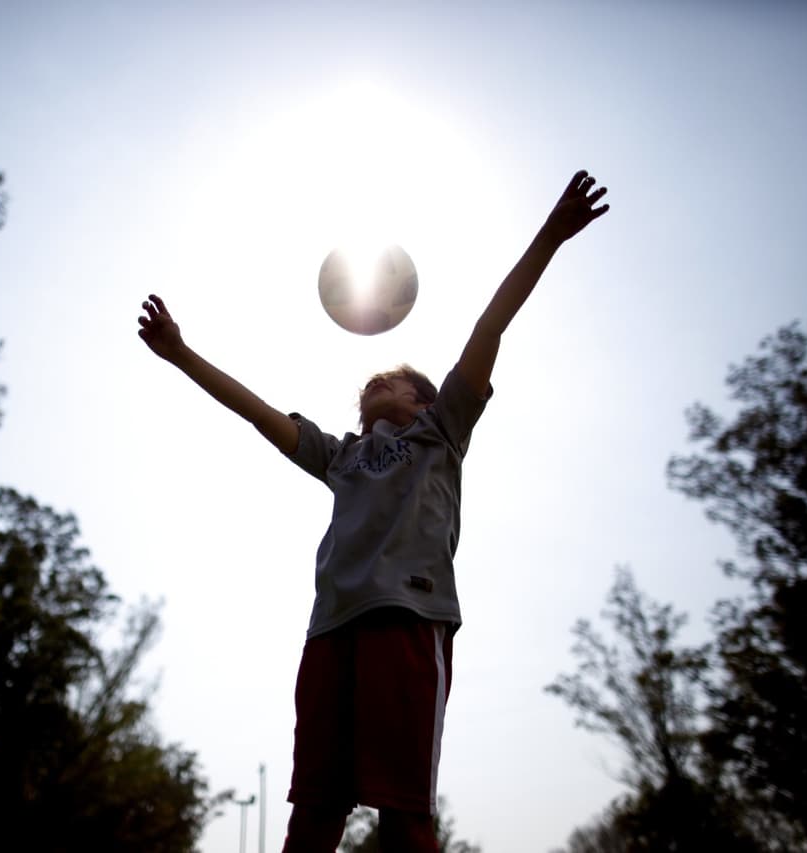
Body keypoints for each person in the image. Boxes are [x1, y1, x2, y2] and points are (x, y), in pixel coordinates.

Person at [137, 170, 609, 852]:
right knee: (314, 813)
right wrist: (181, 354)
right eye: (368, 384)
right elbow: (257, 412)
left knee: (404, 813)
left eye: (391, 380)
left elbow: (490, 324)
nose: (375, 383)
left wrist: (551, 235)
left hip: (408, 620)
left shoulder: (441, 430)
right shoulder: (340, 456)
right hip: (330, 630)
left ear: (423, 398)